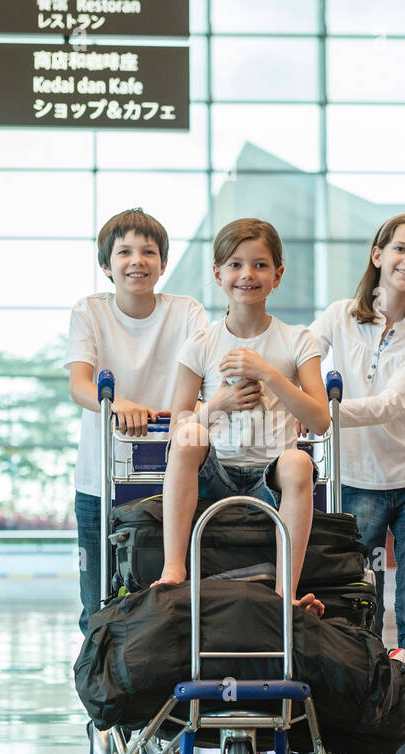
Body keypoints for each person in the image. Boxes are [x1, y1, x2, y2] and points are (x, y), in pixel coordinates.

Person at [310, 212, 405, 754]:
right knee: (352, 612)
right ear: (377, 254)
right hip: (353, 482)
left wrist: (322, 411)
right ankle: (359, 734)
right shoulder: (336, 318)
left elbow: (395, 404)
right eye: (399, 249)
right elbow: (302, 366)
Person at [157, 217, 330, 618]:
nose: (247, 275)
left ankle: (285, 592)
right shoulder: (201, 343)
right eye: (235, 265)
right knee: (188, 439)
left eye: (259, 265)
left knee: (299, 460)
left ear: (277, 275)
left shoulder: (297, 340)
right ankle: (173, 568)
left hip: (272, 477)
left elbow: (320, 421)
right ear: (218, 274)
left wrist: (269, 372)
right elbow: (178, 427)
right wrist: (219, 402)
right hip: (216, 473)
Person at [66, 209, 207, 636]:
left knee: (168, 598)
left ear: (163, 263)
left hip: (174, 480)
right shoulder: (90, 311)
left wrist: (196, 410)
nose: (137, 260)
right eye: (124, 251)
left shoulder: (186, 312)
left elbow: (207, 379)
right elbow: (79, 385)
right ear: (106, 265)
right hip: (101, 480)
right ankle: (103, 696)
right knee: (97, 605)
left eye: (149, 251)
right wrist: (120, 404)